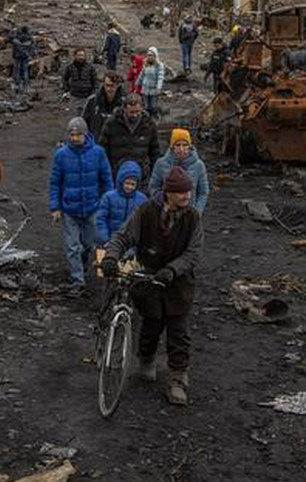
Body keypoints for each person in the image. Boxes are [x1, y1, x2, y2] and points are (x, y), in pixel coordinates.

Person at [100, 165, 203, 406]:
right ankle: (146, 359)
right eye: (182, 192)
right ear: (169, 192)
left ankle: (178, 380)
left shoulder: (192, 217)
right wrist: (110, 257)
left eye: (189, 191)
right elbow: (123, 236)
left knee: (179, 333)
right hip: (148, 281)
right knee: (150, 327)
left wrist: (173, 269)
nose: (187, 195)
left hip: (178, 284)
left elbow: (194, 252)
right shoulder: (146, 211)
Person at [49, 117, 113, 296]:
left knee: (89, 243)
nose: (75, 138)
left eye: (78, 134)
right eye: (71, 134)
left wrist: (107, 203)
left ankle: (83, 259)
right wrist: (55, 207)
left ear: (86, 134)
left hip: (92, 207)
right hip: (69, 208)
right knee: (72, 247)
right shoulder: (61, 155)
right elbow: (54, 182)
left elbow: (106, 179)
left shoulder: (98, 153)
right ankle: (78, 281)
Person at [98, 96, 160, 180]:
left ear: (142, 108)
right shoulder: (111, 123)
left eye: (137, 112)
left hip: (142, 176)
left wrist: (154, 174)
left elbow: (155, 152)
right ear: (124, 109)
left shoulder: (149, 125)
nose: (134, 115)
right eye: (131, 112)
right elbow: (103, 149)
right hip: (116, 174)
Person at [149, 128, 210, 214]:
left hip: (189, 214)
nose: (181, 149)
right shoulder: (161, 164)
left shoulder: (198, 165)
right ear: (172, 147)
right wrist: (163, 201)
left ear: (190, 146)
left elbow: (203, 192)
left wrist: (197, 212)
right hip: (166, 213)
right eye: (178, 145)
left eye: (185, 145)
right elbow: (153, 187)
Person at [96, 160, 148, 245]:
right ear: (121, 181)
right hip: (111, 241)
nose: (129, 187)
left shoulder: (142, 199)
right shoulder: (108, 197)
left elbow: (144, 223)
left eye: (133, 184)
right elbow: (101, 220)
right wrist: (105, 239)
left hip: (131, 243)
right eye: (127, 183)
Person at [82, 71, 125, 138]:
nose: (109, 89)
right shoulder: (92, 100)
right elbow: (84, 122)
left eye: (112, 85)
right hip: (96, 142)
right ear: (103, 84)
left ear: (118, 85)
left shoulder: (125, 103)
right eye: (107, 85)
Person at [62, 48, 98, 115]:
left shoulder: (90, 68)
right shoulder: (70, 68)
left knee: (86, 117)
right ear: (75, 56)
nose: (81, 57)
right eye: (79, 55)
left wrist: (94, 93)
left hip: (87, 97)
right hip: (74, 96)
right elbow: (64, 79)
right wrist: (66, 90)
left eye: (82, 55)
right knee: (74, 117)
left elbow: (95, 81)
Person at [138, 47, 165, 117]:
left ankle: (154, 116)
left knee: (153, 105)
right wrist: (138, 82)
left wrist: (159, 87)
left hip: (154, 88)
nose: (150, 57)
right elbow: (142, 74)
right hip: (145, 88)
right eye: (149, 55)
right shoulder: (146, 64)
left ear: (155, 56)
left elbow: (160, 76)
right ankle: (146, 117)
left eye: (152, 55)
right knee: (146, 105)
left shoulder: (159, 66)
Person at [9, 26, 35, 93]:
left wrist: (12, 31)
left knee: (17, 70)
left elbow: (9, 38)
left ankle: (17, 85)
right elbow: (33, 47)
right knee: (24, 71)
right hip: (25, 57)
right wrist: (29, 55)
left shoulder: (16, 38)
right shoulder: (29, 38)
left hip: (17, 56)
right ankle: (25, 86)